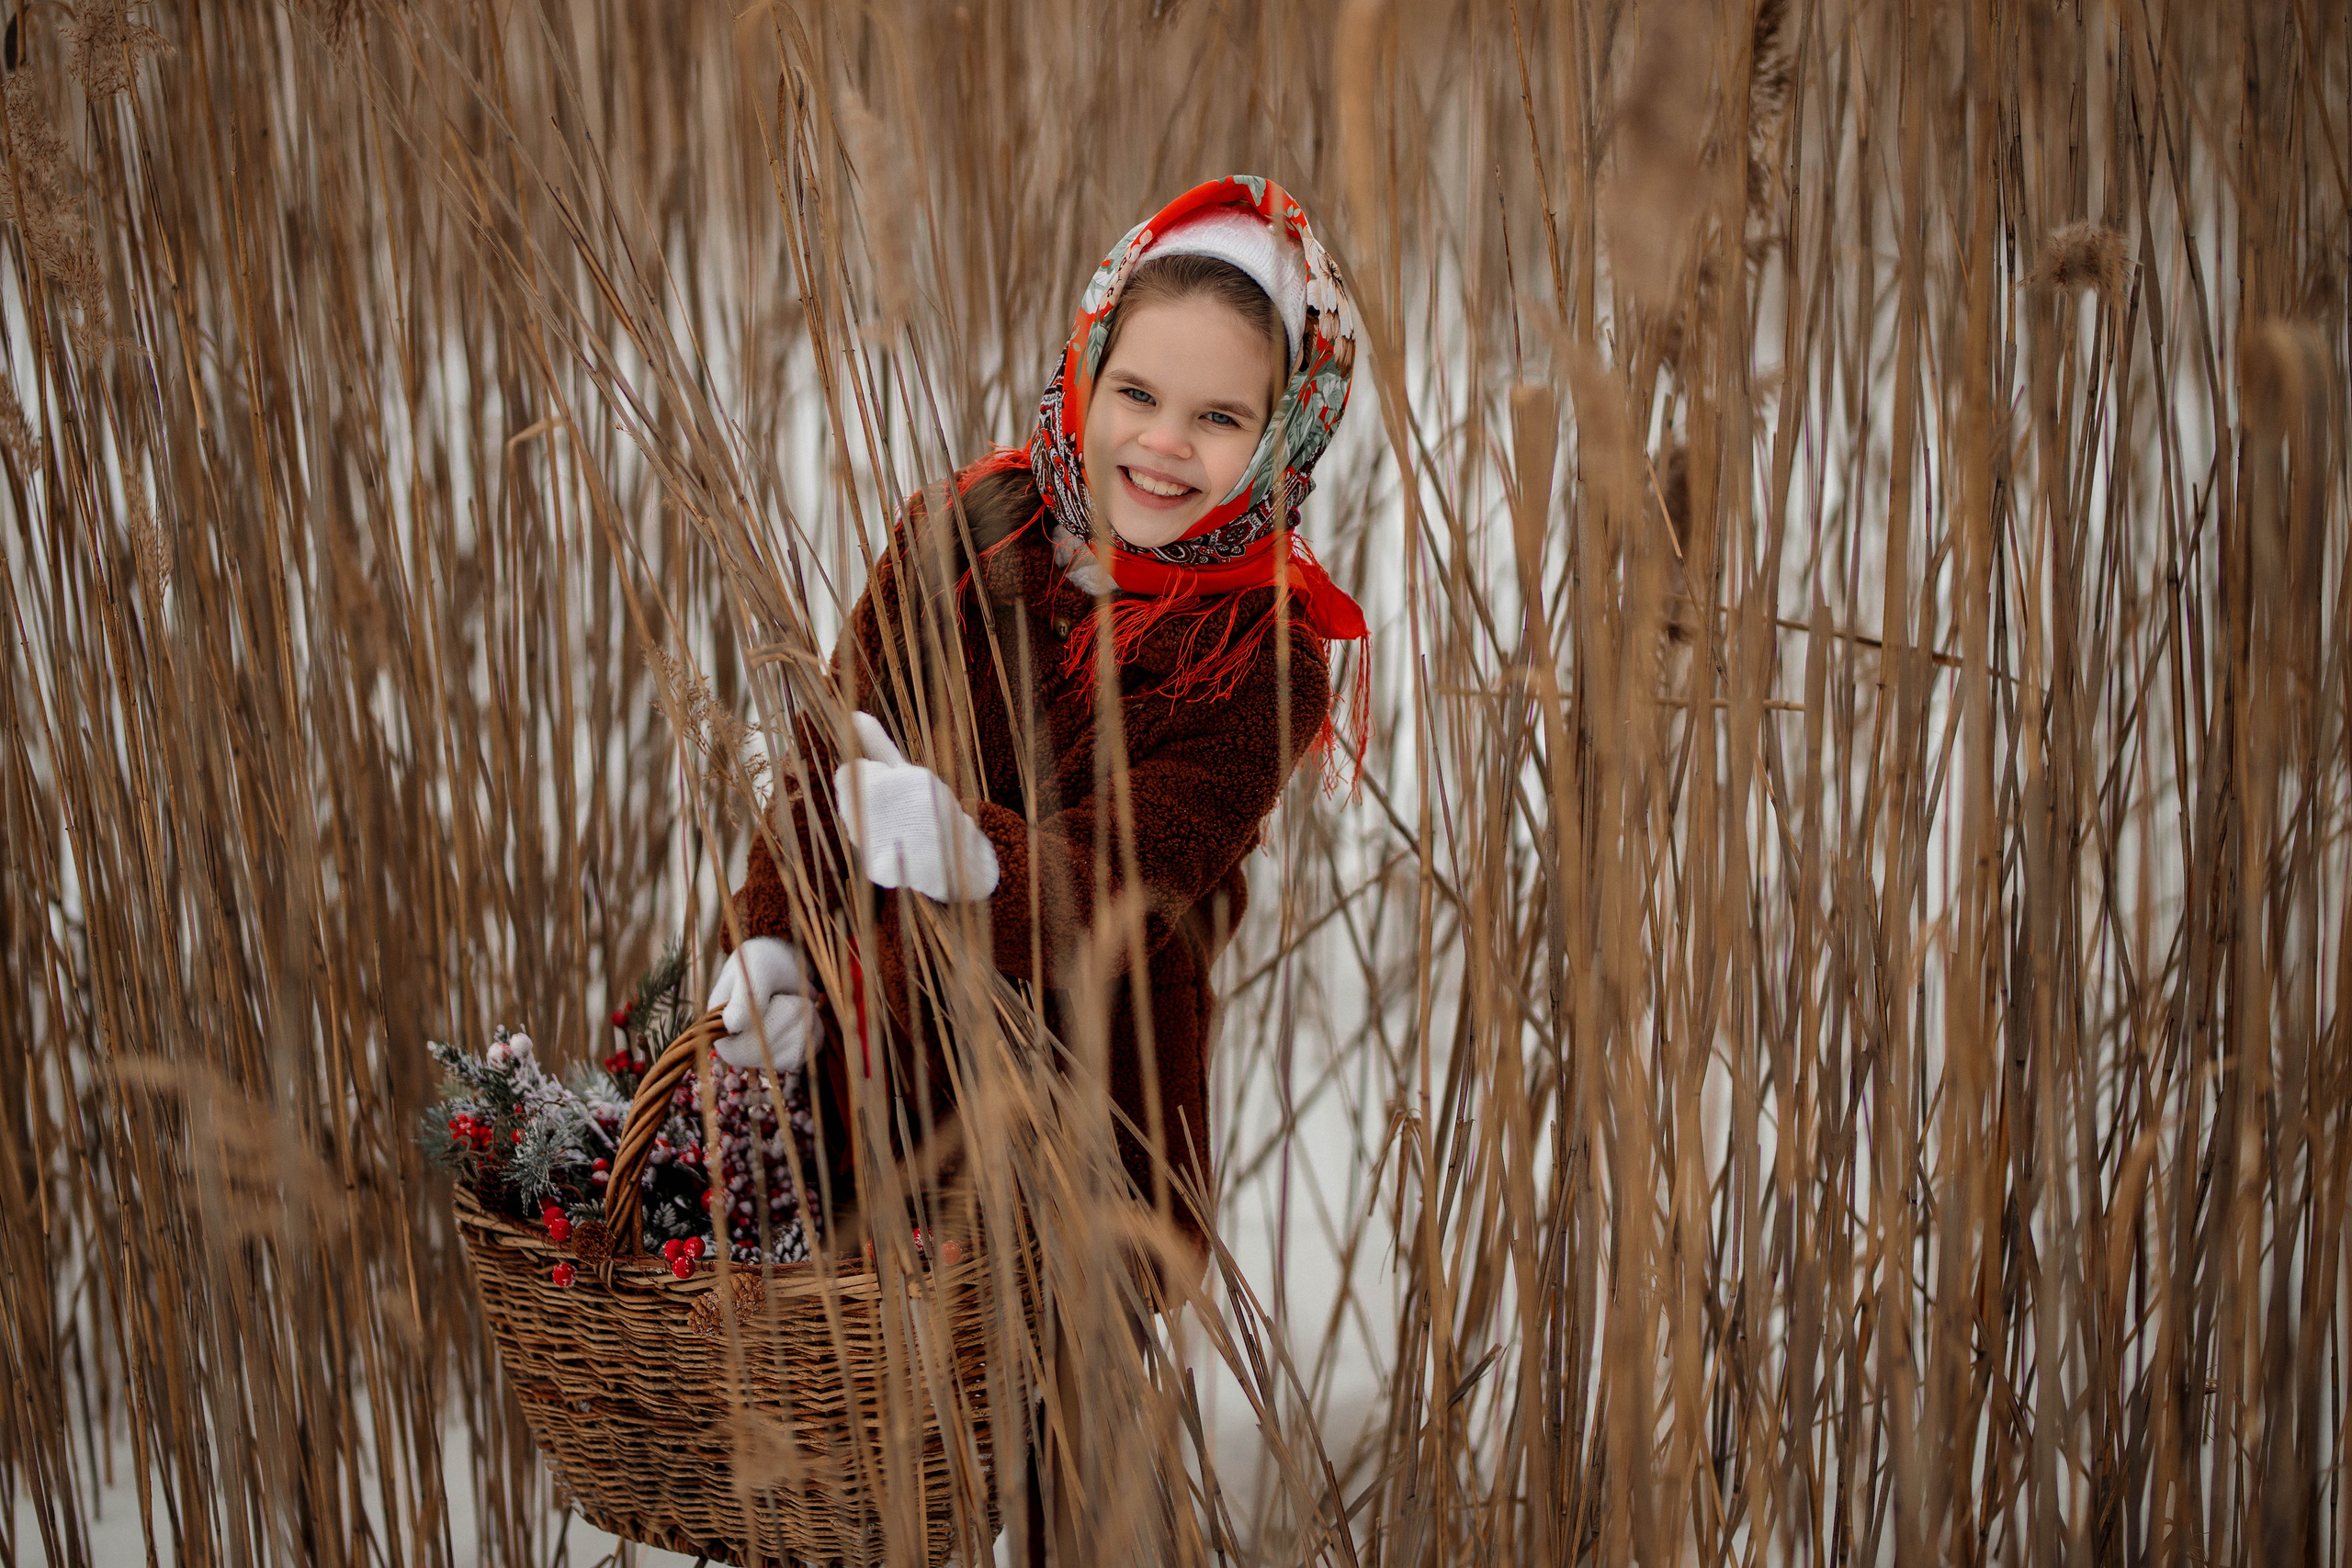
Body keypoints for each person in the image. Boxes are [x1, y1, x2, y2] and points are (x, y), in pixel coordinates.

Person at [705, 174, 1364, 1276]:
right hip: (864, 1067)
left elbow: (1132, 883)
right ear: (1085, 371)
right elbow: (832, 757)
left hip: (1075, 1134)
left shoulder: (1264, 657)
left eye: (1218, 418)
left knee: (1024, 1430)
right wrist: (774, 936)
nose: (1160, 444)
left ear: (1283, 437)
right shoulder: (956, 535)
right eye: (1137, 393)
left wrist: (975, 861)